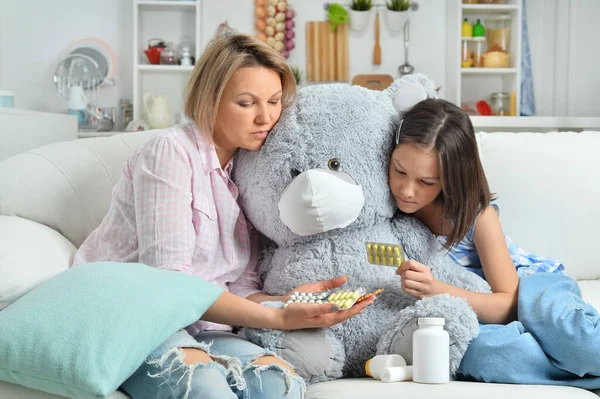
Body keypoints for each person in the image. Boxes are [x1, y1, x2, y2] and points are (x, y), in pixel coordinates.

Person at [73, 31, 374, 399]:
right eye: (247, 103)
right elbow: (170, 283)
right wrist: (278, 317)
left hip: (205, 327)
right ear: (210, 100)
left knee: (276, 382)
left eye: (274, 101)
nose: (266, 117)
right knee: (204, 386)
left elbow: (240, 288)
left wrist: (287, 302)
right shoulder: (169, 153)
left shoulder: (249, 171)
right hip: (136, 318)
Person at [388, 98, 600, 388]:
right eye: (399, 171)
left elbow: (509, 304)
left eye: (426, 182)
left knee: (578, 343)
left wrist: (436, 290)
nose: (407, 191)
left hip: (532, 287)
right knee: (484, 355)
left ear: (452, 179)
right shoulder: (385, 212)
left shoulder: (477, 216)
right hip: (476, 315)